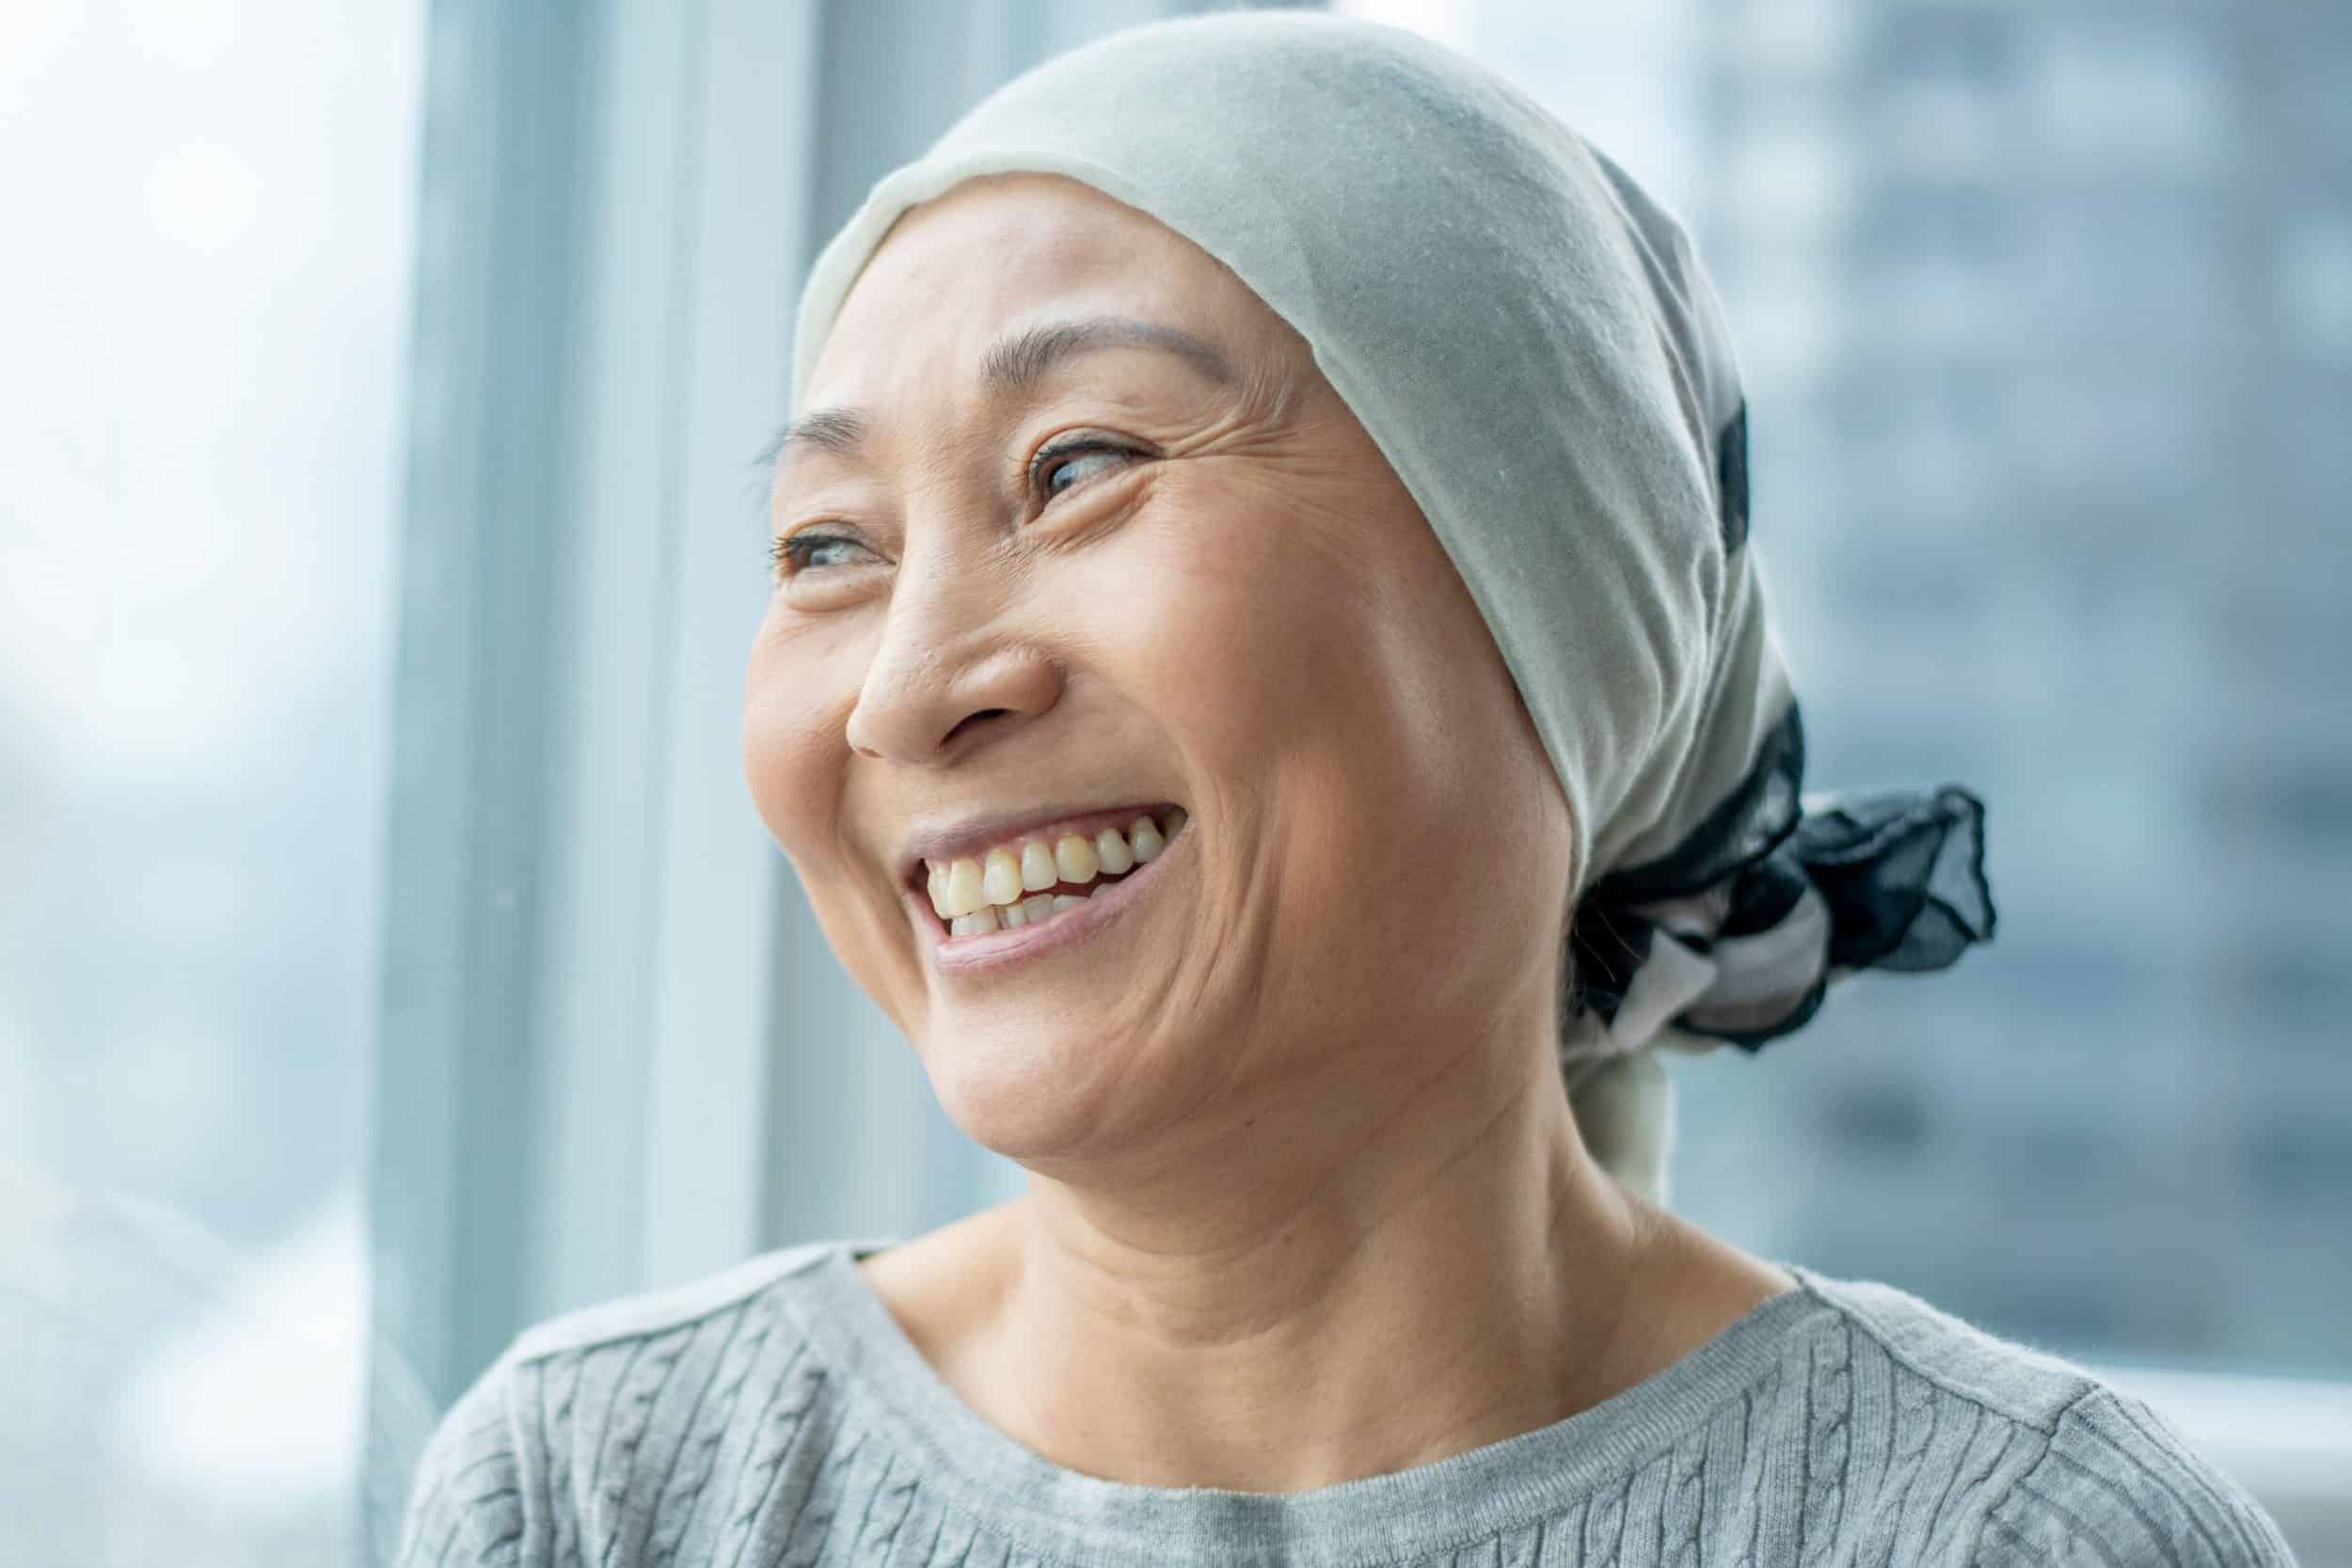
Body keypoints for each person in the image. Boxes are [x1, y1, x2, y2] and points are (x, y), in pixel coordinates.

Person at [393, 13, 2297, 1566]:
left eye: (1076, 467)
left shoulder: (2007, 1537)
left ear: (1555, 602)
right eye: (824, 546)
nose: (906, 693)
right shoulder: (607, 1493)